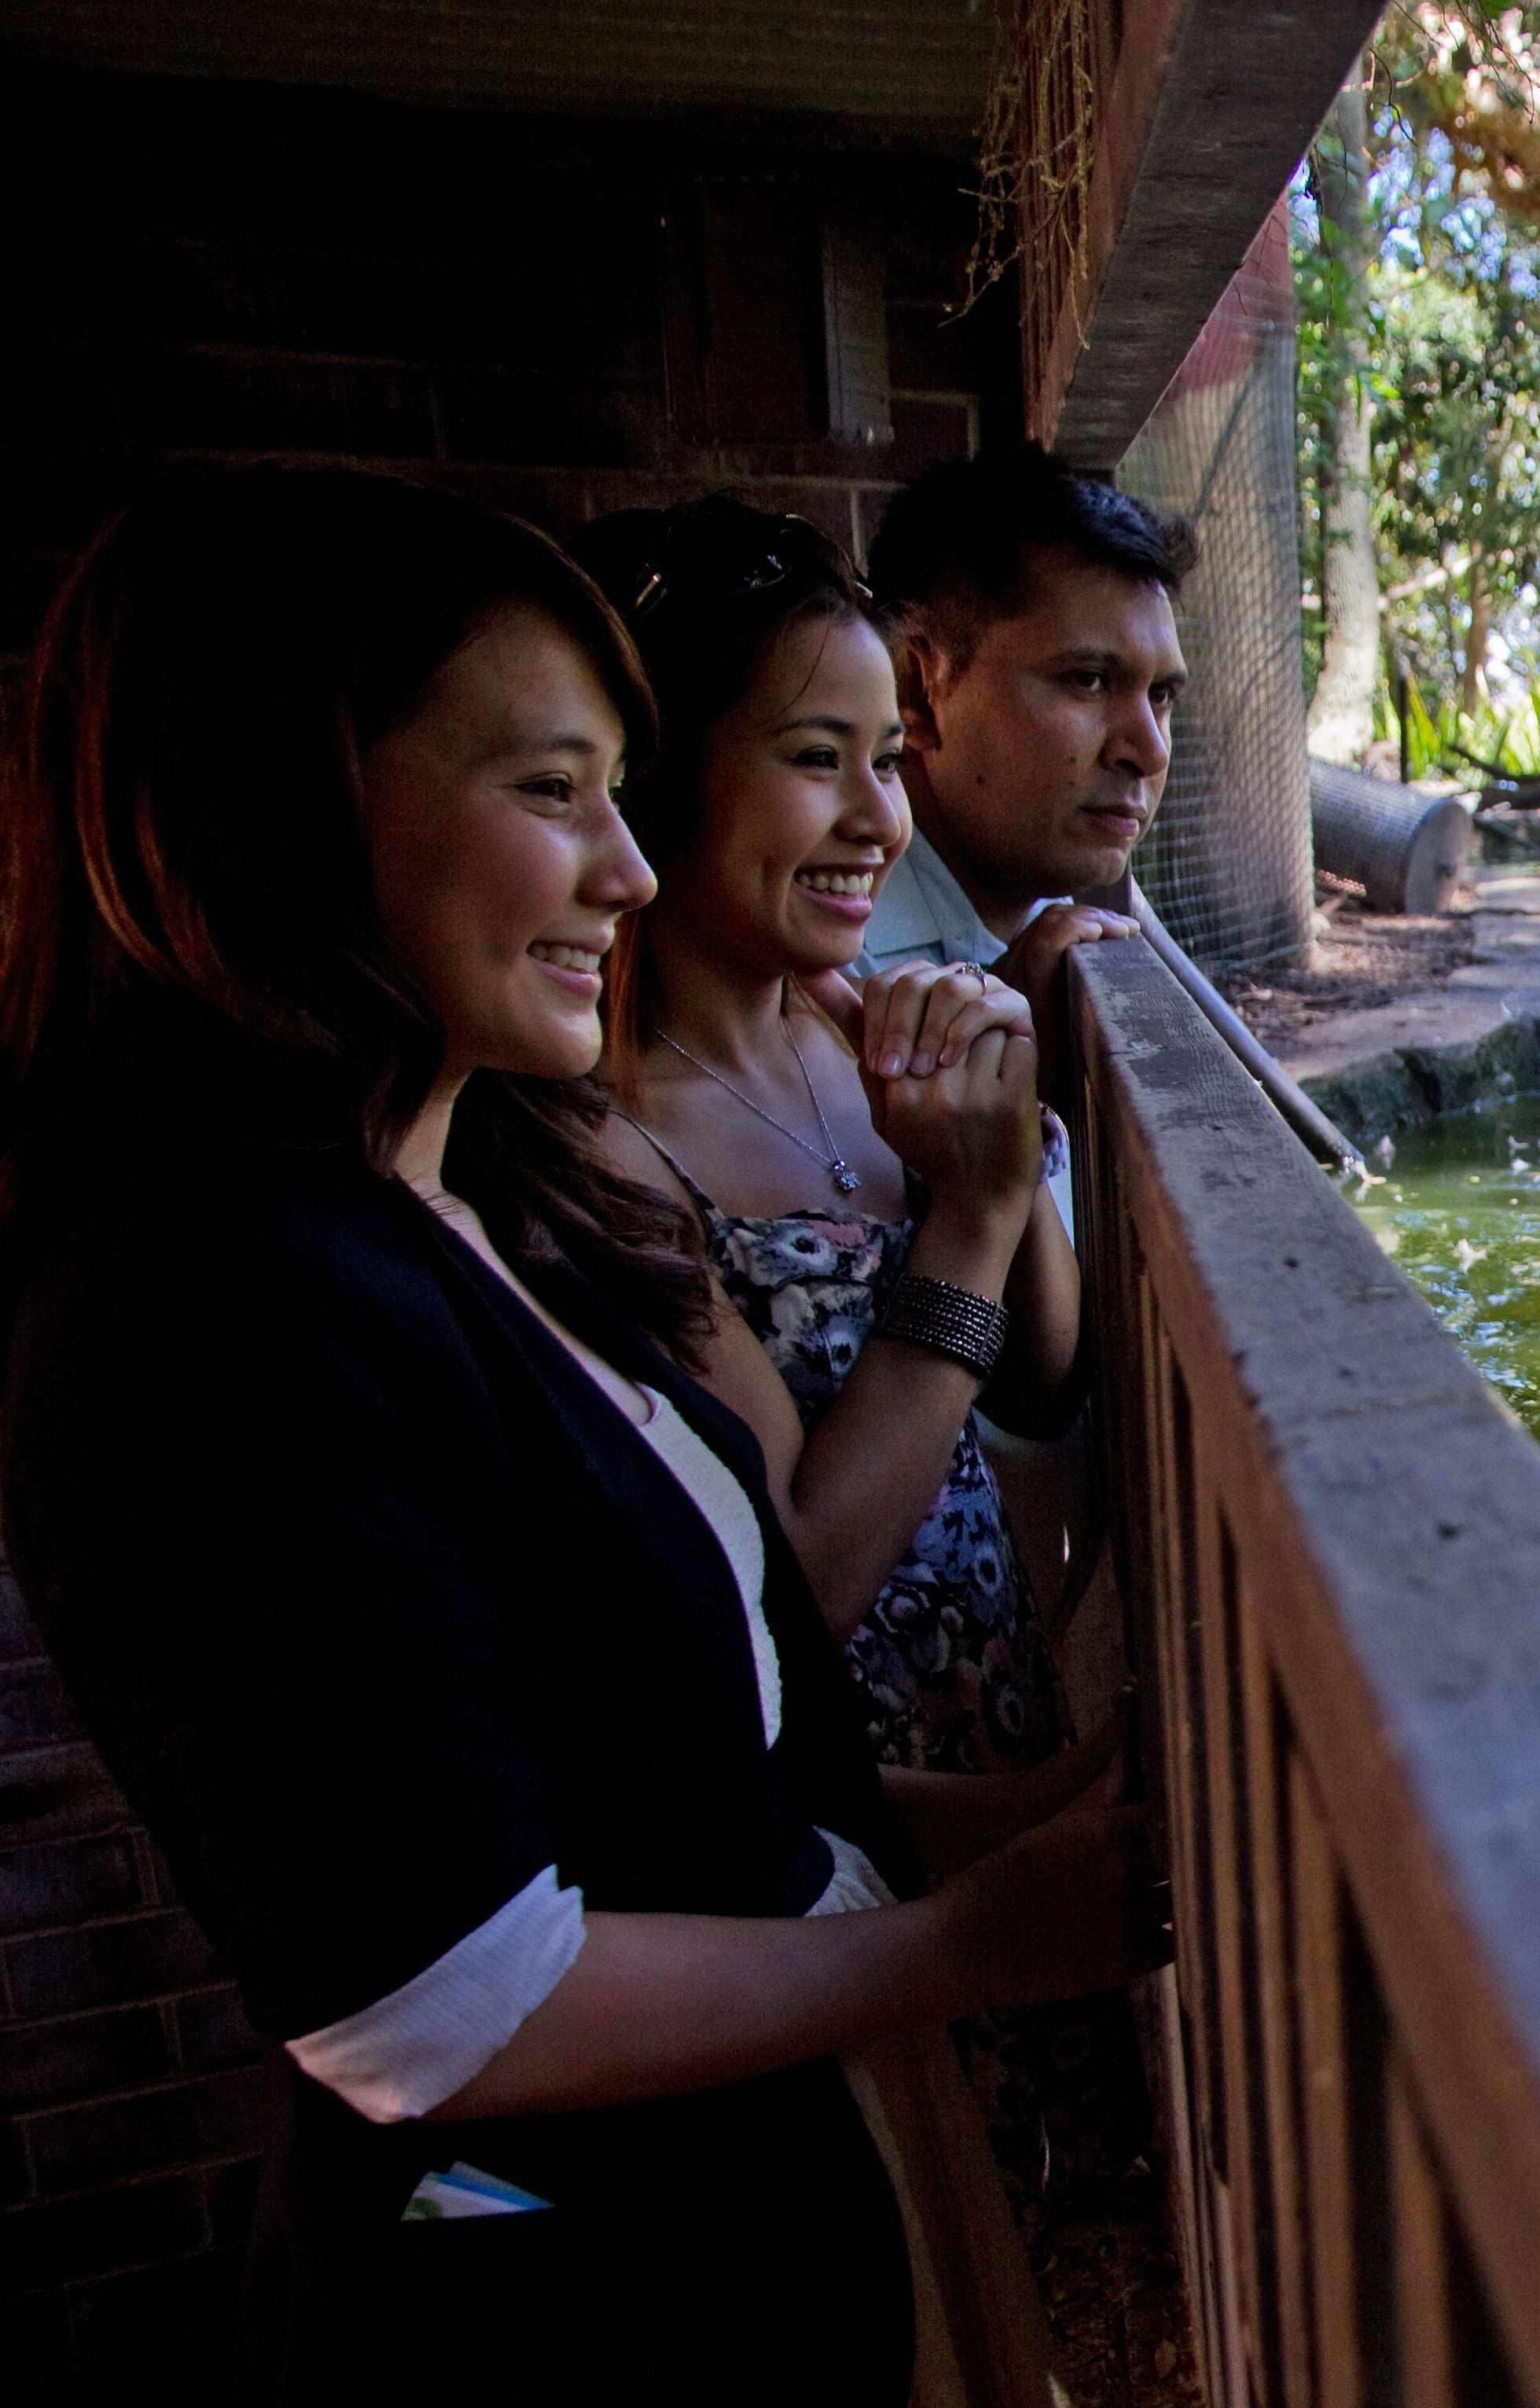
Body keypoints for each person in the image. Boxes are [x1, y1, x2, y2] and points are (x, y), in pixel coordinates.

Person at [0, 470, 1164, 2399]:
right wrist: (963, 1941)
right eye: (551, 794)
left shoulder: (437, 1203)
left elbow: (668, 1782)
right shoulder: (199, 1307)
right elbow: (436, 1999)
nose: (620, 871)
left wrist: (1029, 1815)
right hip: (537, 2286)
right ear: (280, 812)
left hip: (723, 2229)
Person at [568, 497, 1074, 1772]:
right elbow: (805, 1573)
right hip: (838, 1863)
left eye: (889, 758)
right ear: (655, 772)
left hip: (1004, 1768)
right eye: (813, 758)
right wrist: (968, 1220)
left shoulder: (858, 1039)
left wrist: (1002, 1138)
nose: (878, 819)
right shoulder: (598, 1147)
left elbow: (1037, 1382)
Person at [855, 443, 1184, 1012]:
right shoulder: (819, 983)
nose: (1150, 752)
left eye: (1161, 695)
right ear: (917, 693)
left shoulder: (1041, 927)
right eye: (1088, 679)